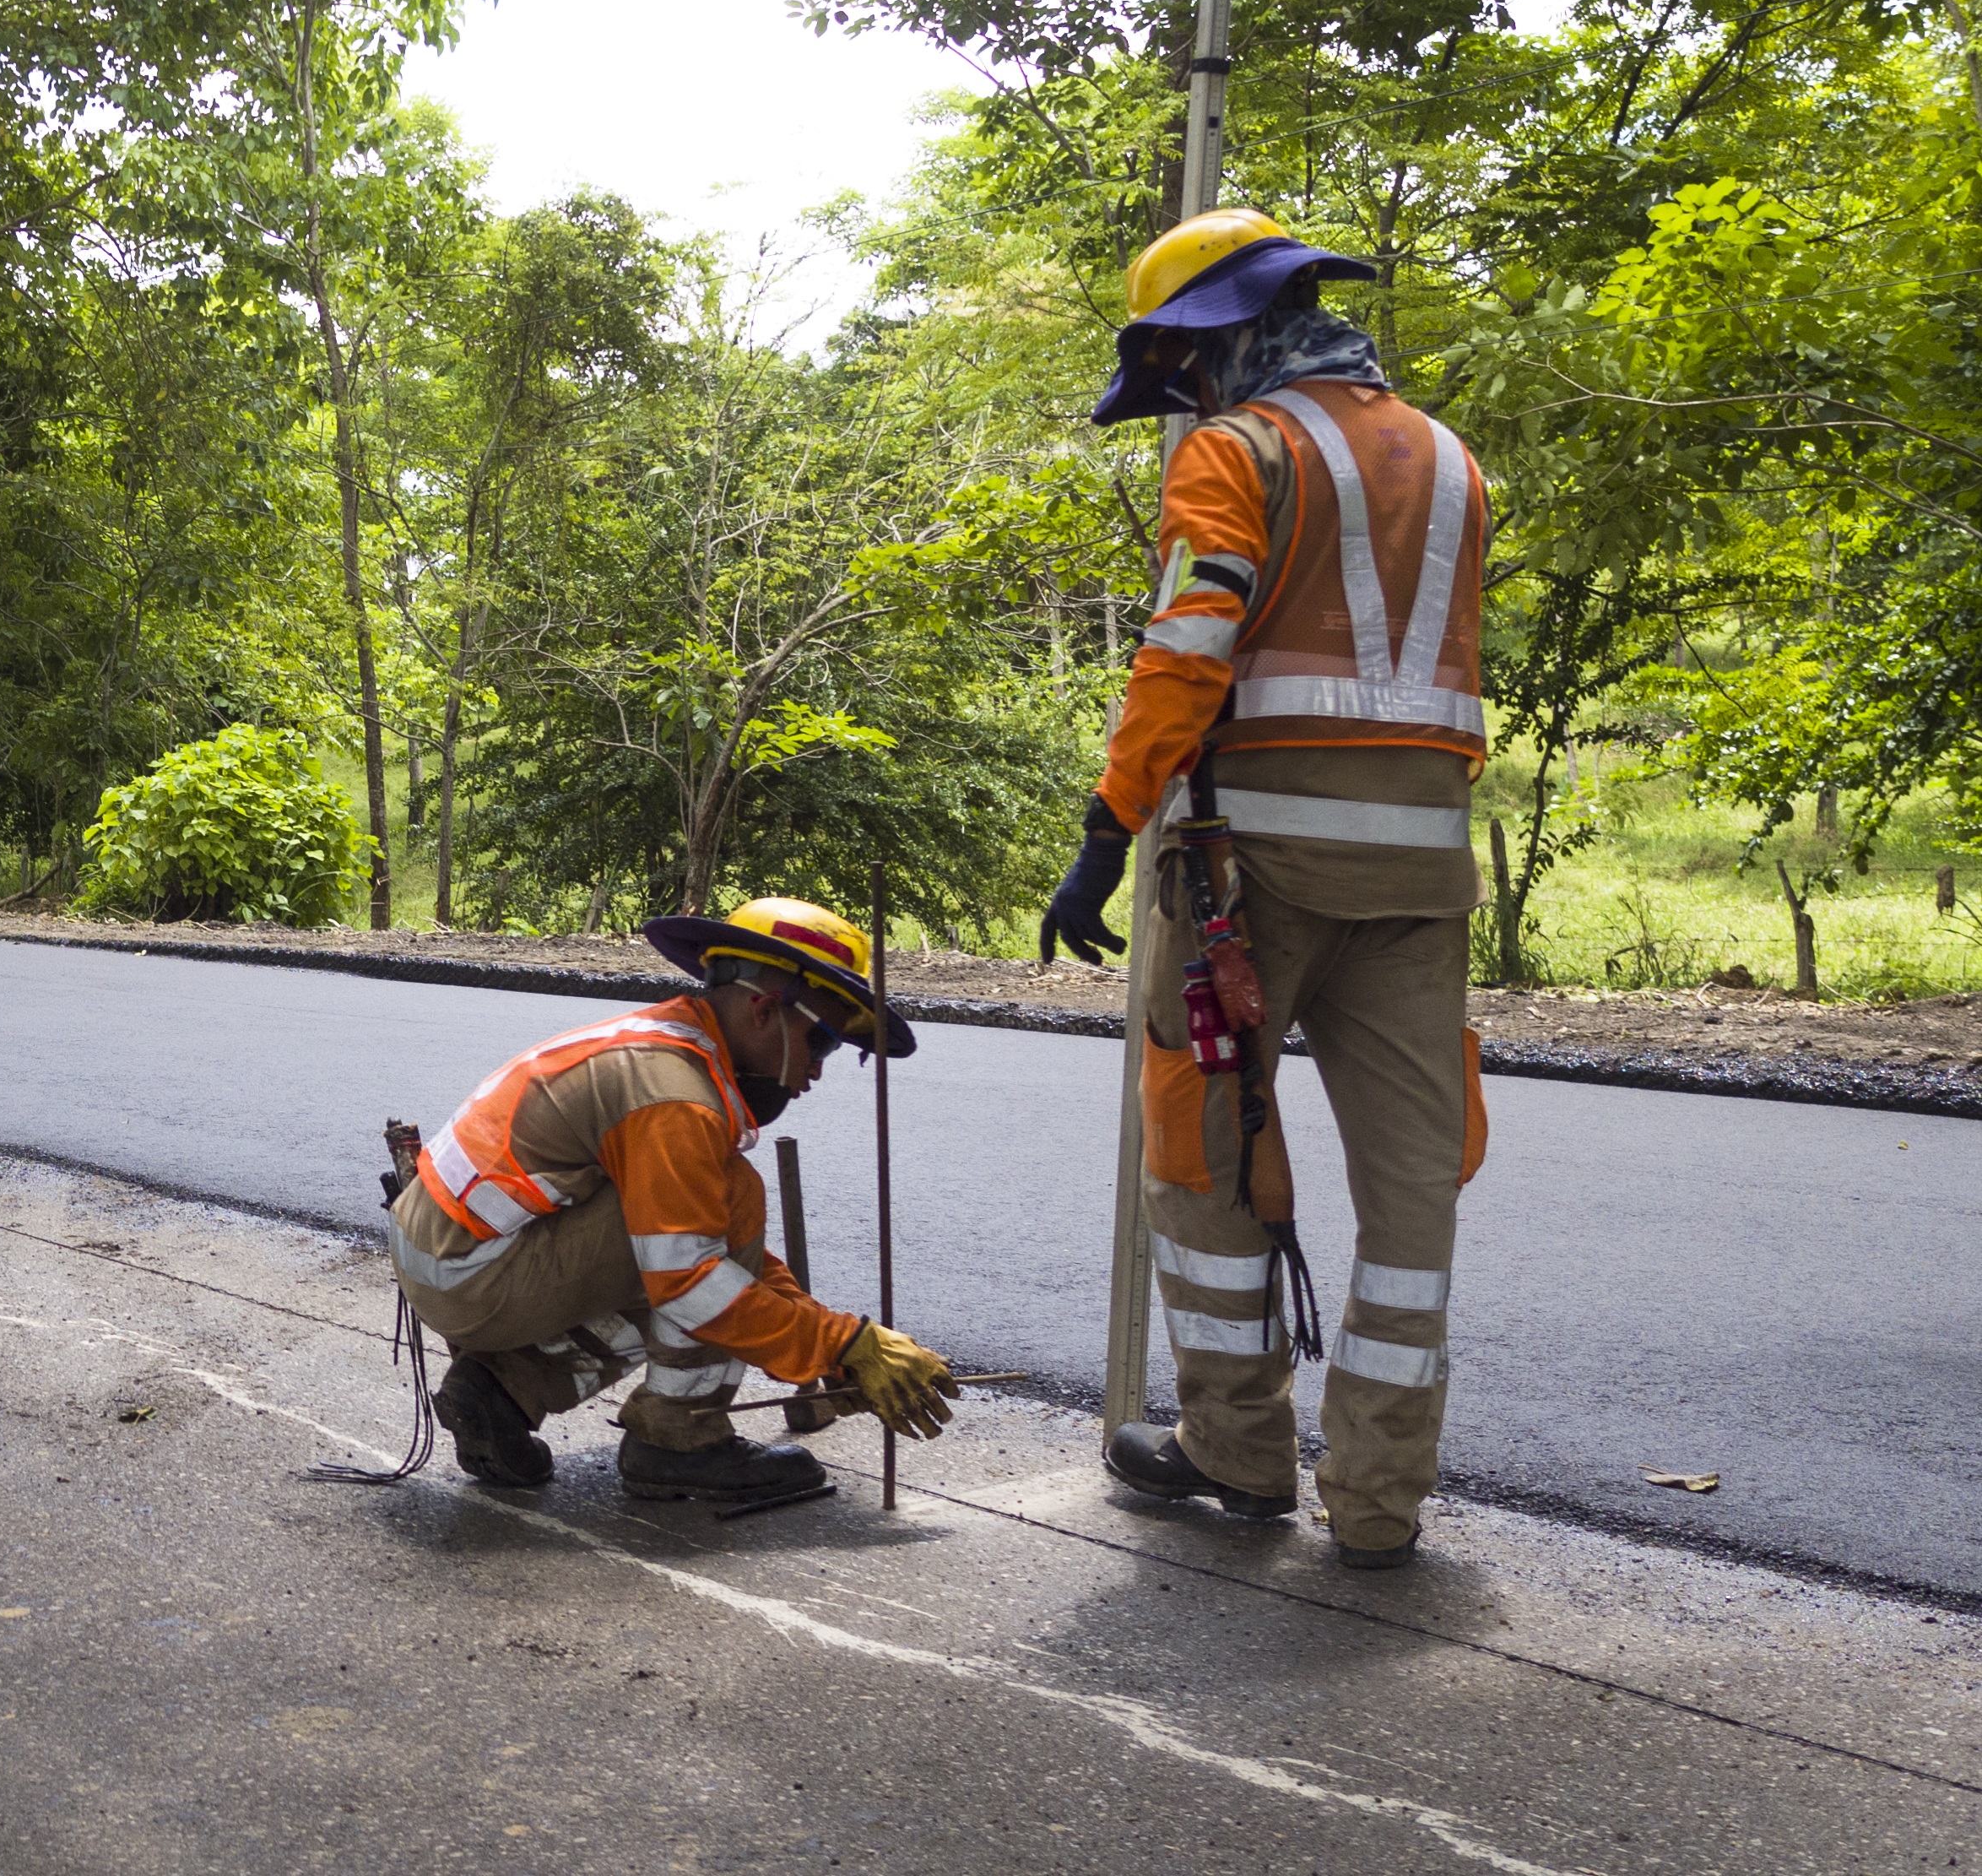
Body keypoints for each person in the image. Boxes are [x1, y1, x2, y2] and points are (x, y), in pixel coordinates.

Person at [1041, 207, 1490, 1573]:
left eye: (1178, 371)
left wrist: (1109, 825)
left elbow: (1192, 643)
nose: (1182, 403)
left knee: (1202, 1146)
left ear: (1219, 335)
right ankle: (1379, 1499)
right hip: (1423, 872)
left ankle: (1236, 1452)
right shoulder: (1456, 461)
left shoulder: (1243, 448)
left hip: (1256, 872)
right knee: (1416, 1187)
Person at [391, 897, 961, 1506]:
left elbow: (717, 1246)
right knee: (707, 1243)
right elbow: (694, 1277)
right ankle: (680, 1437)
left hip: (453, 1256)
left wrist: (834, 1347)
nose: (819, 1073)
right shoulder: (676, 1099)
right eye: (820, 1043)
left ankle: (503, 1391)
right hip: (470, 1277)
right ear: (765, 1010)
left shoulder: (668, 1047)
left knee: (698, 1236)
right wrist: (836, 1342)